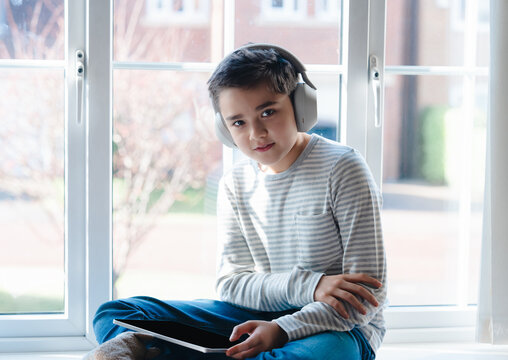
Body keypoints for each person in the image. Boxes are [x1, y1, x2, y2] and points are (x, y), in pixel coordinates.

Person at [90, 43, 387, 360]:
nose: (256, 133)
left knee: (328, 353)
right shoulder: (234, 184)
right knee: (117, 312)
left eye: (268, 112)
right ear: (223, 128)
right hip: (252, 317)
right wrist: (309, 286)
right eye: (238, 122)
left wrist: (283, 329)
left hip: (336, 327)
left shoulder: (343, 168)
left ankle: (165, 354)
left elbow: (365, 300)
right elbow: (232, 285)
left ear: (301, 106)